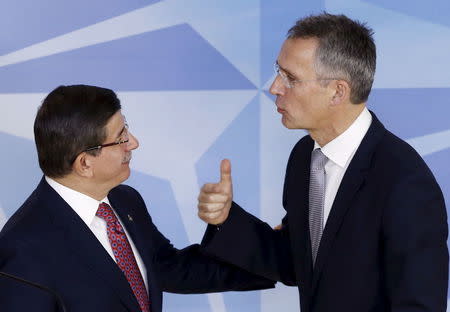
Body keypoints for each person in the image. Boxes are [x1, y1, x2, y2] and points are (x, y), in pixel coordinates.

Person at [197, 13, 448, 312]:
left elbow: (419, 306)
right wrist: (226, 219)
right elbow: (298, 262)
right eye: (279, 71)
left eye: (290, 78)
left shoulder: (404, 182)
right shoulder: (304, 157)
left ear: (338, 92)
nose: (274, 87)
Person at [0, 84, 274, 312]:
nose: (133, 143)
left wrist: (274, 259)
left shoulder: (125, 200)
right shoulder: (23, 249)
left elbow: (169, 268)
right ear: (84, 163)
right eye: (121, 138)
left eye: (126, 129)